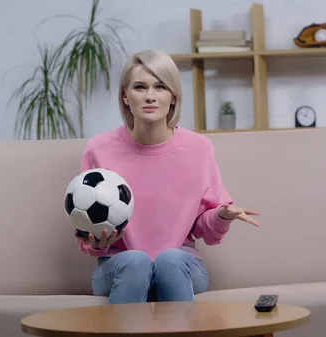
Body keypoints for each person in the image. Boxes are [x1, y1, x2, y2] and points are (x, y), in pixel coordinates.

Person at [75, 49, 259, 304]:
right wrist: (98, 242)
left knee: (169, 259)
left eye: (160, 87)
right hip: (118, 267)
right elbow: (87, 235)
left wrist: (220, 215)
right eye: (140, 87)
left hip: (181, 266)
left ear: (173, 96)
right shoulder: (99, 149)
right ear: (125, 96)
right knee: (134, 261)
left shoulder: (198, 148)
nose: (150, 96)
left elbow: (204, 229)